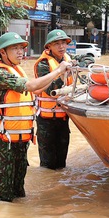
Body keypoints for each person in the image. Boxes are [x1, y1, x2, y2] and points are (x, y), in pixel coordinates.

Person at [0, 32, 72, 202]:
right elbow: (31, 85)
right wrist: (58, 71)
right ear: (3, 52)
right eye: (15, 48)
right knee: (3, 197)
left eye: (21, 48)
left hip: (19, 142)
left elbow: (37, 90)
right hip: (4, 143)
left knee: (18, 193)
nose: (20, 52)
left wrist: (63, 73)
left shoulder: (16, 69)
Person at [33, 29, 77, 170]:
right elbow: (49, 90)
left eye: (63, 43)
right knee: (48, 165)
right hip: (46, 121)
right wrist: (62, 74)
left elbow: (88, 60)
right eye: (57, 44)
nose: (61, 47)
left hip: (63, 118)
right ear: (49, 47)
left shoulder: (68, 59)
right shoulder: (43, 64)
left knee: (62, 164)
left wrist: (77, 63)